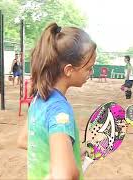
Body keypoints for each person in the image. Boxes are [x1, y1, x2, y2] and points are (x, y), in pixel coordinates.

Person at [17, 22, 96, 180]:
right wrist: (68, 168)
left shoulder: (39, 98)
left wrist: (71, 153)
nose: (91, 73)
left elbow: (24, 140)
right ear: (69, 70)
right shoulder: (60, 111)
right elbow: (64, 175)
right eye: (88, 68)